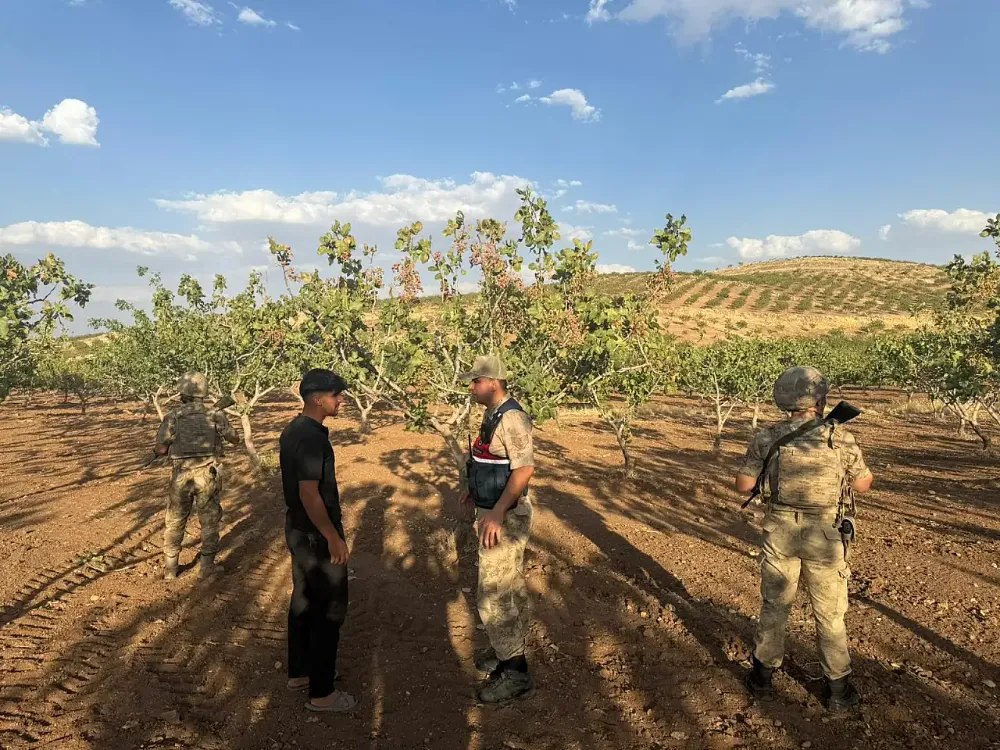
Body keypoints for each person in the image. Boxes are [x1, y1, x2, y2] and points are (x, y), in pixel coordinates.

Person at [735, 366, 874, 713]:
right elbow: (862, 484)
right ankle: (838, 692)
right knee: (829, 614)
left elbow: (743, 485)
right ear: (821, 399)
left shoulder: (767, 437)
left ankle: (763, 681)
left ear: (783, 400)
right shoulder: (838, 436)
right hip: (824, 536)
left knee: (775, 606)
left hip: (780, 531)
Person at [458, 355, 536, 704]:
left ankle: (515, 673)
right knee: (510, 586)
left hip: (504, 516)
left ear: (492, 382)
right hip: (491, 509)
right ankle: (507, 652)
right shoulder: (493, 415)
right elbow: (491, 460)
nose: (471, 387)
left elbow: (523, 471)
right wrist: (471, 490)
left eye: (475, 381)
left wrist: (497, 513)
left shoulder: (513, 418)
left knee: (493, 593)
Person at [278, 368, 356, 713]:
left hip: (297, 529)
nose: (341, 401)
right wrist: (333, 538)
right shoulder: (311, 438)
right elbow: (309, 493)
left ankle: (301, 671)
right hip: (314, 535)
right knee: (330, 609)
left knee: (304, 599)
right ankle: (323, 693)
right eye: (336, 395)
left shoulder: (294, 430)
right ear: (316, 398)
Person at [155, 371, 240, 581]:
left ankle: (170, 569)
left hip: (181, 476)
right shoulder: (215, 415)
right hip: (207, 476)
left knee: (175, 521)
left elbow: (161, 449)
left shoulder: (173, 417)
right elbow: (235, 439)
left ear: (182, 393)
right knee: (209, 522)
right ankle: (206, 568)